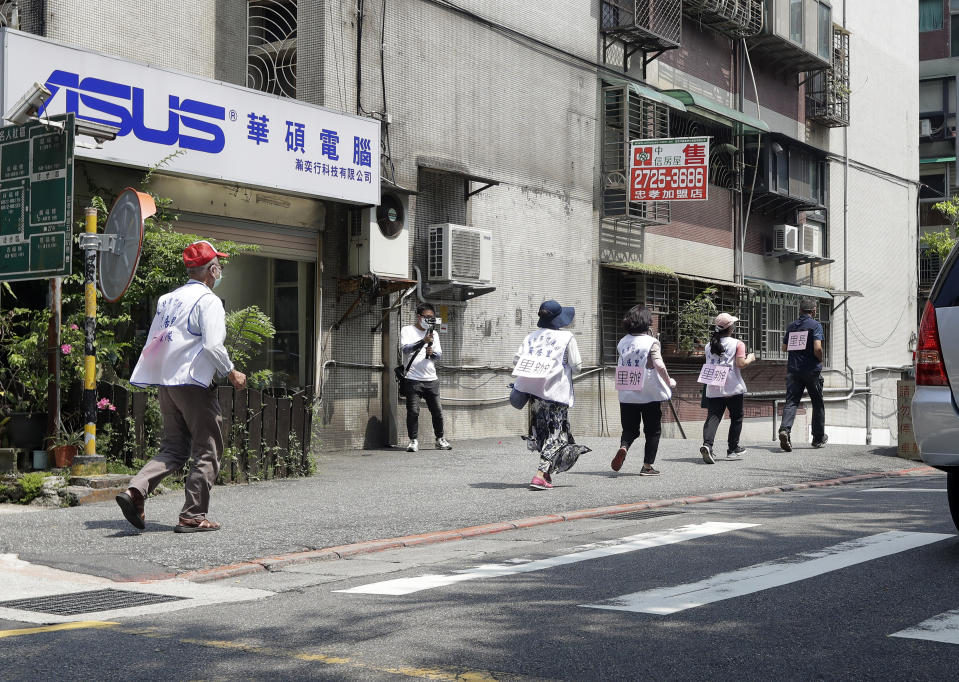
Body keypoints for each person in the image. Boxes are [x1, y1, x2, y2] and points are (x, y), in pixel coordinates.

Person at [116, 240, 246, 533]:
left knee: (174, 447)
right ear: (212, 269)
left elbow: (156, 341)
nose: (221, 270)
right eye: (219, 265)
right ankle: (193, 515)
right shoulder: (208, 301)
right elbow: (213, 345)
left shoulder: (167, 299)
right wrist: (231, 372)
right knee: (207, 448)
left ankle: (136, 490)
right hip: (194, 385)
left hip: (167, 383)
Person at [513, 299, 591, 490]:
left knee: (544, 433)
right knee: (557, 436)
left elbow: (517, 360)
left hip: (534, 393)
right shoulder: (567, 338)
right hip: (556, 392)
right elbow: (577, 366)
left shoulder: (531, 337)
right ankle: (540, 475)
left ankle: (546, 474)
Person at [611, 305, 676, 476]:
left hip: (627, 391)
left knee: (630, 429)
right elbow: (659, 364)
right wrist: (669, 381)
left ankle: (624, 447)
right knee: (653, 430)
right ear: (647, 323)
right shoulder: (651, 342)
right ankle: (647, 466)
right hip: (649, 393)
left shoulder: (622, 341)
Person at [699, 312, 755, 464]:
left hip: (713, 384)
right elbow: (741, 364)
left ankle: (707, 445)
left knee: (713, 416)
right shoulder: (738, 343)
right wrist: (750, 357)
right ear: (730, 327)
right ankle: (732, 448)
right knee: (736, 417)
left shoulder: (708, 345)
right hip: (732, 385)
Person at [400, 302, 452, 453]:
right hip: (413, 379)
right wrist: (422, 341)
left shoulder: (434, 333)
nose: (430, 319)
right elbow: (405, 349)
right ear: (419, 316)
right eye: (427, 317)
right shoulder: (407, 330)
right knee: (413, 411)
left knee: (437, 411)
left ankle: (440, 439)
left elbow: (438, 356)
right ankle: (413, 440)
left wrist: (431, 354)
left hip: (431, 379)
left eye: (432, 317)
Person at [778, 298, 827, 451]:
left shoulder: (792, 326)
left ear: (800, 311)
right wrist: (820, 359)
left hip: (793, 370)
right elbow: (817, 348)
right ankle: (818, 438)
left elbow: (784, 348)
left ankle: (785, 430)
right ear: (814, 311)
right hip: (811, 370)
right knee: (817, 402)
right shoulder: (816, 325)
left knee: (791, 402)